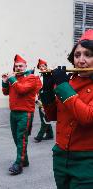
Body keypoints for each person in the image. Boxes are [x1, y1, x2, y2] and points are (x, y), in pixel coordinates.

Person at [40, 29, 93, 189]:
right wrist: (47, 90)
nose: (81, 61)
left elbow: (87, 118)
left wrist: (62, 86)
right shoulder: (68, 82)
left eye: (88, 55)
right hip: (61, 157)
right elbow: (52, 116)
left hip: (87, 161)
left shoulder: (65, 85)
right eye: (77, 55)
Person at [2, 54, 41, 175]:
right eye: (16, 66)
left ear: (25, 66)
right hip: (13, 112)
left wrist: (12, 79)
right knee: (16, 138)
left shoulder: (31, 78)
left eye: (20, 66)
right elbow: (5, 92)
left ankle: (19, 163)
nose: (18, 68)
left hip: (25, 112)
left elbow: (22, 90)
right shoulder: (14, 78)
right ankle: (25, 159)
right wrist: (4, 82)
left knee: (21, 138)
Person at [34, 59, 54, 143]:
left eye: (43, 66)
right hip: (40, 99)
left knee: (45, 118)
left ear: (46, 66)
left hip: (48, 98)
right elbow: (36, 88)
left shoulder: (50, 75)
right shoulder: (38, 77)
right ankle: (50, 134)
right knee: (44, 116)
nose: (42, 68)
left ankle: (40, 136)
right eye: (40, 66)